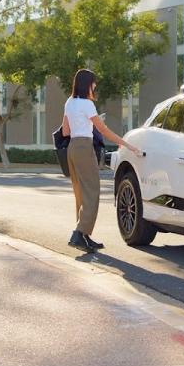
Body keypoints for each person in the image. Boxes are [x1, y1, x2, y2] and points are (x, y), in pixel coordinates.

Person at [61, 69, 141, 253]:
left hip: (72, 148)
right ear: (87, 84)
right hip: (84, 147)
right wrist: (127, 144)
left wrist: (82, 123)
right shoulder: (87, 105)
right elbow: (103, 131)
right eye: (93, 83)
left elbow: (65, 131)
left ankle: (84, 236)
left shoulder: (69, 102)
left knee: (81, 192)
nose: (95, 86)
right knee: (92, 191)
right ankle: (79, 233)